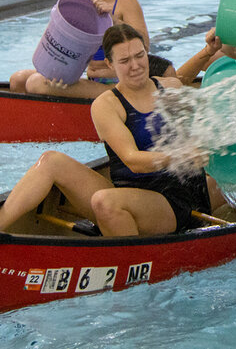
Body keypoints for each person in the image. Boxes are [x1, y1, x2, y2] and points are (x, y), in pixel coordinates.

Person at [0, 24, 214, 236]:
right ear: (110, 64)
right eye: (124, 61)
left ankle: (134, 261)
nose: (135, 65)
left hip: (176, 201)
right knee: (50, 161)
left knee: (105, 201)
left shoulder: (171, 89)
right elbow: (132, 161)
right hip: (126, 195)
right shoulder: (106, 105)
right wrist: (179, 155)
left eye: (139, 56)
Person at [10, 0, 173, 98]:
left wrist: (114, 20)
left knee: (34, 83)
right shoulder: (77, 5)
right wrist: (57, 72)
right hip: (88, 78)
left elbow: (144, 46)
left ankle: (119, 98)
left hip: (116, 83)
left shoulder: (125, 0)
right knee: (17, 79)